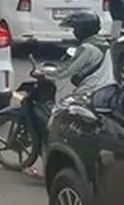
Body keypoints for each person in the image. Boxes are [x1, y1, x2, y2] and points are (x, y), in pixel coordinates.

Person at [23, 11, 113, 179]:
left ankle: (48, 168)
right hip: (105, 92)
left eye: (75, 29)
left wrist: (43, 73)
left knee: (55, 122)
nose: (73, 32)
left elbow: (66, 72)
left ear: (82, 30)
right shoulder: (103, 44)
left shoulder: (87, 48)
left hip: (87, 94)